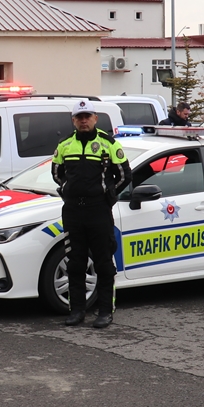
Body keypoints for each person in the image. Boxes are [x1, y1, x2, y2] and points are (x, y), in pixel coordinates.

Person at [52, 99, 132, 329]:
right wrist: (68, 190)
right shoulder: (65, 144)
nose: (84, 120)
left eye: (87, 116)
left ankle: (105, 311)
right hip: (73, 211)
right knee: (75, 262)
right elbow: (57, 173)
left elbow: (125, 176)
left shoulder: (108, 144)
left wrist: (108, 196)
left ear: (95, 118)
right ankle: (77, 311)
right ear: (73, 120)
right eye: (79, 117)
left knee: (104, 263)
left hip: (98, 210)